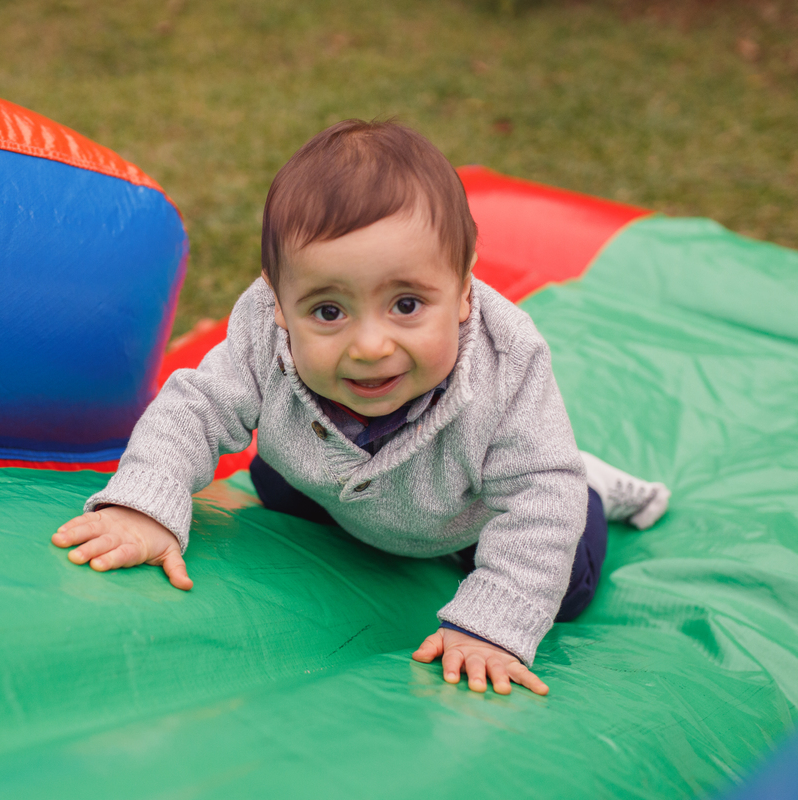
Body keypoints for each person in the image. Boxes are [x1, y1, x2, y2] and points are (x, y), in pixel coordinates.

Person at [51, 119, 670, 696]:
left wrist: (489, 627)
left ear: (462, 288)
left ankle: (588, 477)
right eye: (328, 312)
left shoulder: (506, 365)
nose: (371, 347)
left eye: (406, 305)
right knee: (272, 477)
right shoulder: (264, 333)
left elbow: (539, 496)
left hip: (466, 509)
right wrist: (145, 503)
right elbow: (197, 406)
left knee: (565, 583)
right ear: (277, 303)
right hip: (334, 481)